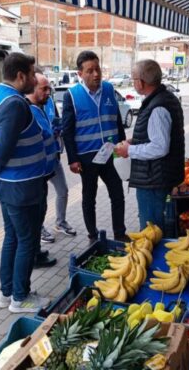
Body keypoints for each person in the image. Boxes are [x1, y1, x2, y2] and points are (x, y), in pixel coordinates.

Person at [0, 52, 51, 313]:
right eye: (32, 74)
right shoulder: (15, 104)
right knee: (27, 240)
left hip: (8, 186)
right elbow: (5, 147)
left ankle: (6, 293)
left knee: (13, 238)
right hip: (21, 187)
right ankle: (20, 297)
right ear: (20, 76)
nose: (34, 77)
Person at [62, 50, 127, 243]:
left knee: (117, 193)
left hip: (109, 153)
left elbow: (116, 119)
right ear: (80, 74)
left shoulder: (108, 89)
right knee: (89, 197)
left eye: (97, 69)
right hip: (86, 157)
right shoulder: (71, 96)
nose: (96, 74)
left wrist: (122, 144)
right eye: (90, 71)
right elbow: (67, 130)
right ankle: (93, 235)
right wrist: (72, 159)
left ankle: (120, 233)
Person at [114, 60, 184, 231]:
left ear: (142, 82)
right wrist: (135, 141)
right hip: (159, 177)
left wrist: (129, 150)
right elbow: (156, 136)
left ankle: (154, 256)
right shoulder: (163, 99)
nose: (133, 83)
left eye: (134, 79)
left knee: (151, 232)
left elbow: (160, 147)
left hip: (154, 181)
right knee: (157, 228)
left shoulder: (157, 107)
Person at [27, 69, 77, 244]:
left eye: (49, 89)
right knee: (40, 202)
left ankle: (60, 223)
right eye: (44, 89)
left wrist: (58, 129)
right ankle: (39, 229)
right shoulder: (25, 109)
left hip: (53, 158)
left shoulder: (48, 103)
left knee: (62, 190)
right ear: (33, 88)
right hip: (38, 165)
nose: (48, 92)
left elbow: (55, 120)